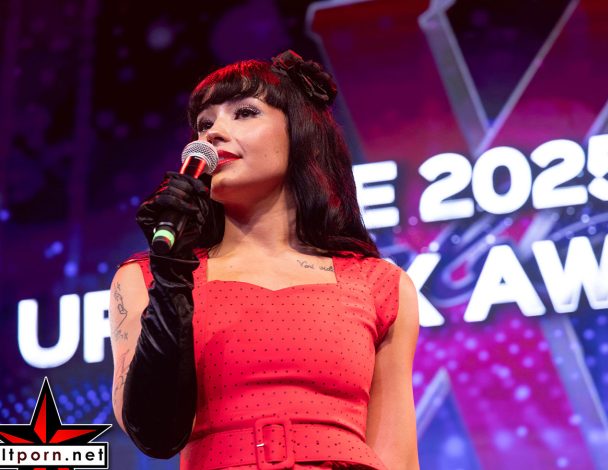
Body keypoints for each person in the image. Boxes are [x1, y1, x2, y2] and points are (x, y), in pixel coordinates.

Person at [109, 50, 420, 469]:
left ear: (300, 132)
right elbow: (154, 432)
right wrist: (171, 272)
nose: (214, 133)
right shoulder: (148, 277)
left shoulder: (379, 284)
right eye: (204, 123)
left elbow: (398, 457)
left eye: (244, 113)